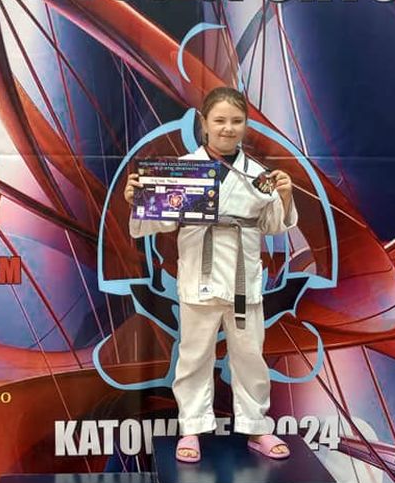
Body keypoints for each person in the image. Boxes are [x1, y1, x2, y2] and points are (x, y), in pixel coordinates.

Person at [124, 87, 297, 462]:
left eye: (236, 121)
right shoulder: (184, 171)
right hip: (198, 279)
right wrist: (138, 200)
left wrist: (284, 196)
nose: (228, 128)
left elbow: (272, 225)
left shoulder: (259, 175)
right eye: (219, 120)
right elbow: (156, 223)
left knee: (250, 357)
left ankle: (256, 427)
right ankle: (191, 428)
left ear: (246, 125)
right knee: (194, 357)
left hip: (243, 281)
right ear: (204, 123)